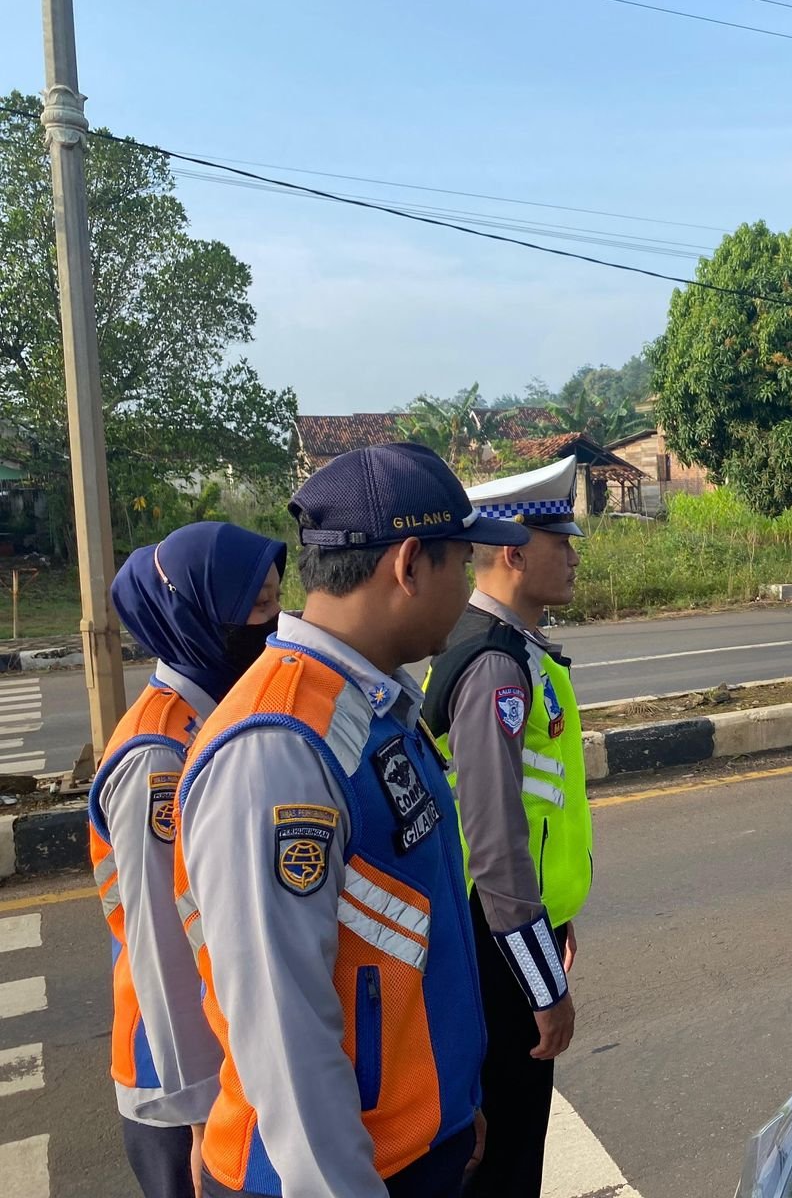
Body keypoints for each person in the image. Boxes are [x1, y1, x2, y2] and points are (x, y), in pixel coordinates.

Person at [171, 443, 529, 1198]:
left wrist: (452, 1106)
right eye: (461, 563)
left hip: (413, 1147)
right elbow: (284, 1036)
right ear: (407, 565)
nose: (469, 587)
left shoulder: (370, 706)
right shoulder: (277, 748)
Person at [88, 522, 285, 1198]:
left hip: (227, 1057)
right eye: (257, 606)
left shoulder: (215, 717)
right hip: (179, 1081)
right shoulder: (157, 756)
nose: (275, 620)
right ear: (195, 613)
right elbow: (162, 948)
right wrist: (201, 1112)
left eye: (276, 599)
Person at [420, 457, 593, 1196]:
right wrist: (542, 984)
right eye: (563, 543)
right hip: (494, 942)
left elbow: (538, 811)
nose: (576, 556)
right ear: (516, 554)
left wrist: (556, 914)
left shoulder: (513, 649)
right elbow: (493, 841)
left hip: (514, 927)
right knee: (507, 1154)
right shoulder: (495, 666)